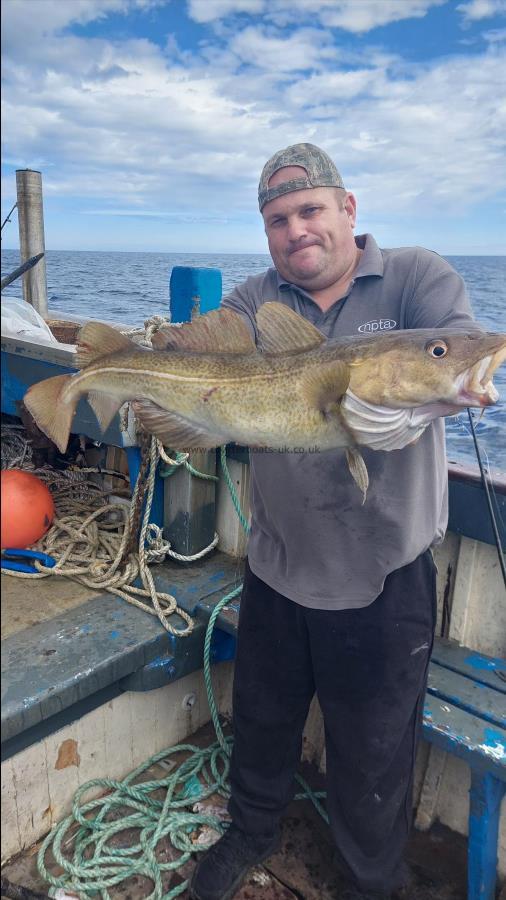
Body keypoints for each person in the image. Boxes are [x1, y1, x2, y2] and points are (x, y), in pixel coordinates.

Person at [189, 143, 477, 900]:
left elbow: (453, 358)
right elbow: (203, 373)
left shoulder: (416, 277)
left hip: (383, 576)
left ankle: (369, 881)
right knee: (261, 723)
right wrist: (150, 390)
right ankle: (250, 832)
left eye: (310, 210)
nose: (296, 230)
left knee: (373, 757)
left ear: (348, 210)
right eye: (277, 219)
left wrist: (410, 416)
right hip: (279, 564)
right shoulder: (254, 302)